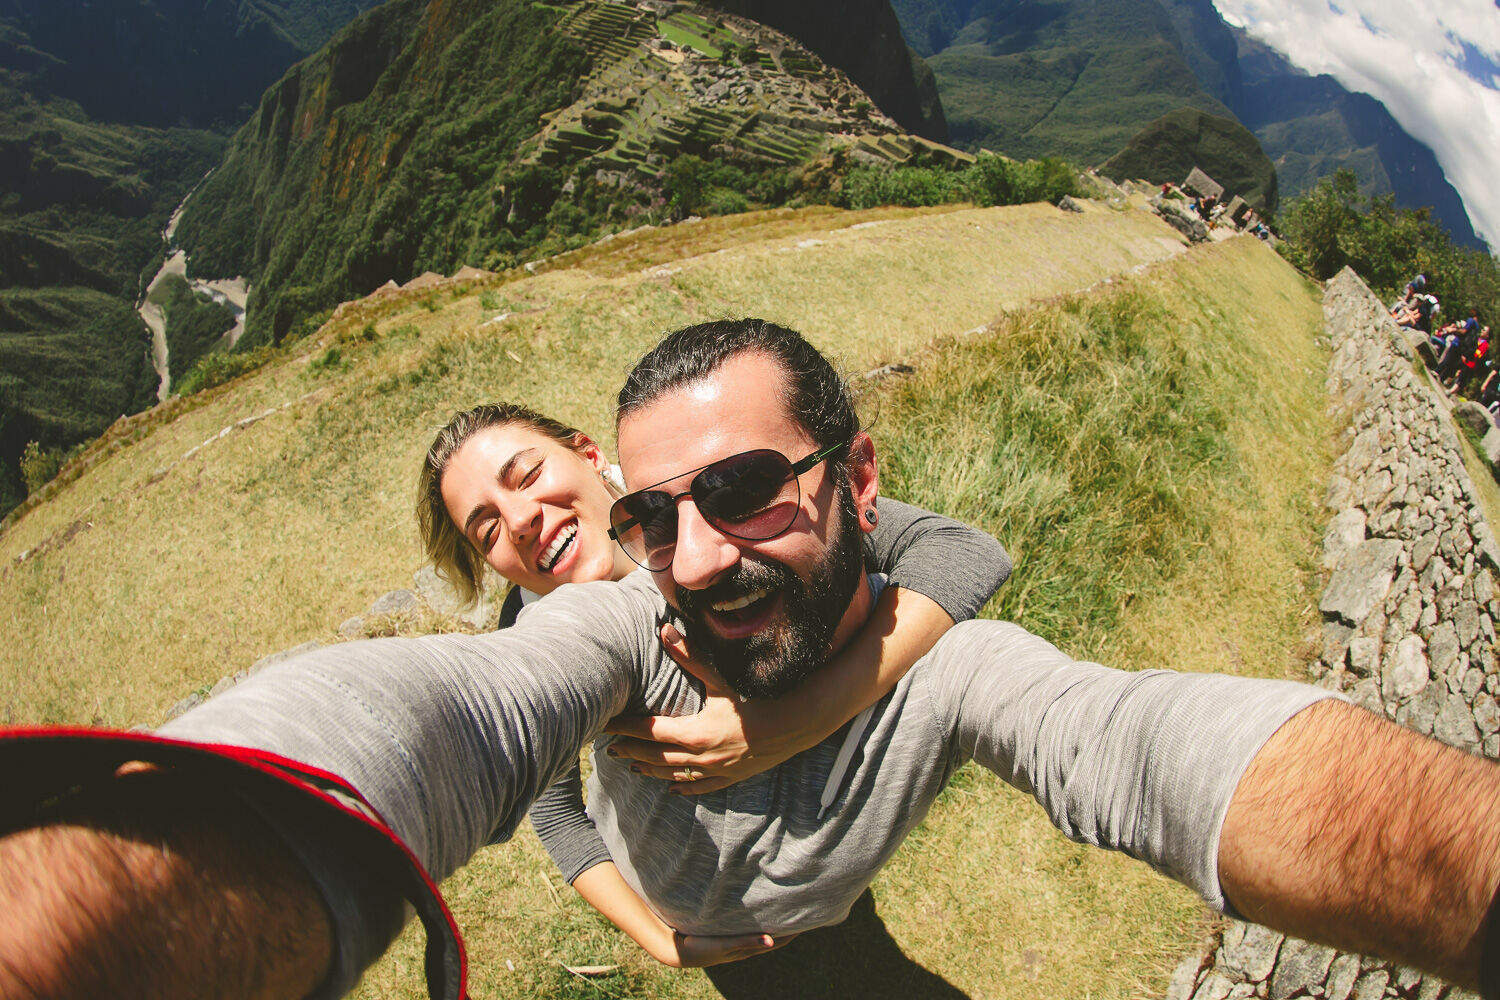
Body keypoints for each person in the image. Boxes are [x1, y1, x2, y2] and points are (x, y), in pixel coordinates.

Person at [3, 319, 1500, 1000]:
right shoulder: (600, 623)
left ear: (859, 485)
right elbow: (459, 718)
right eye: (660, 519)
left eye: (742, 492)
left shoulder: (944, 645)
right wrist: (124, 878)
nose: (699, 552)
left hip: (828, 915)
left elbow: (1124, 736)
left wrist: (1467, 870)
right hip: (710, 938)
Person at [414, 401, 1010, 967]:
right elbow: (554, 805)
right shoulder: (527, 626)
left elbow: (963, 552)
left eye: (528, 475)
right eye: (486, 529)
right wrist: (660, 941)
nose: (518, 522)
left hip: (811, 868)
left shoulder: (715, 511)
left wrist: (794, 722)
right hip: (673, 890)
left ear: (591, 456)